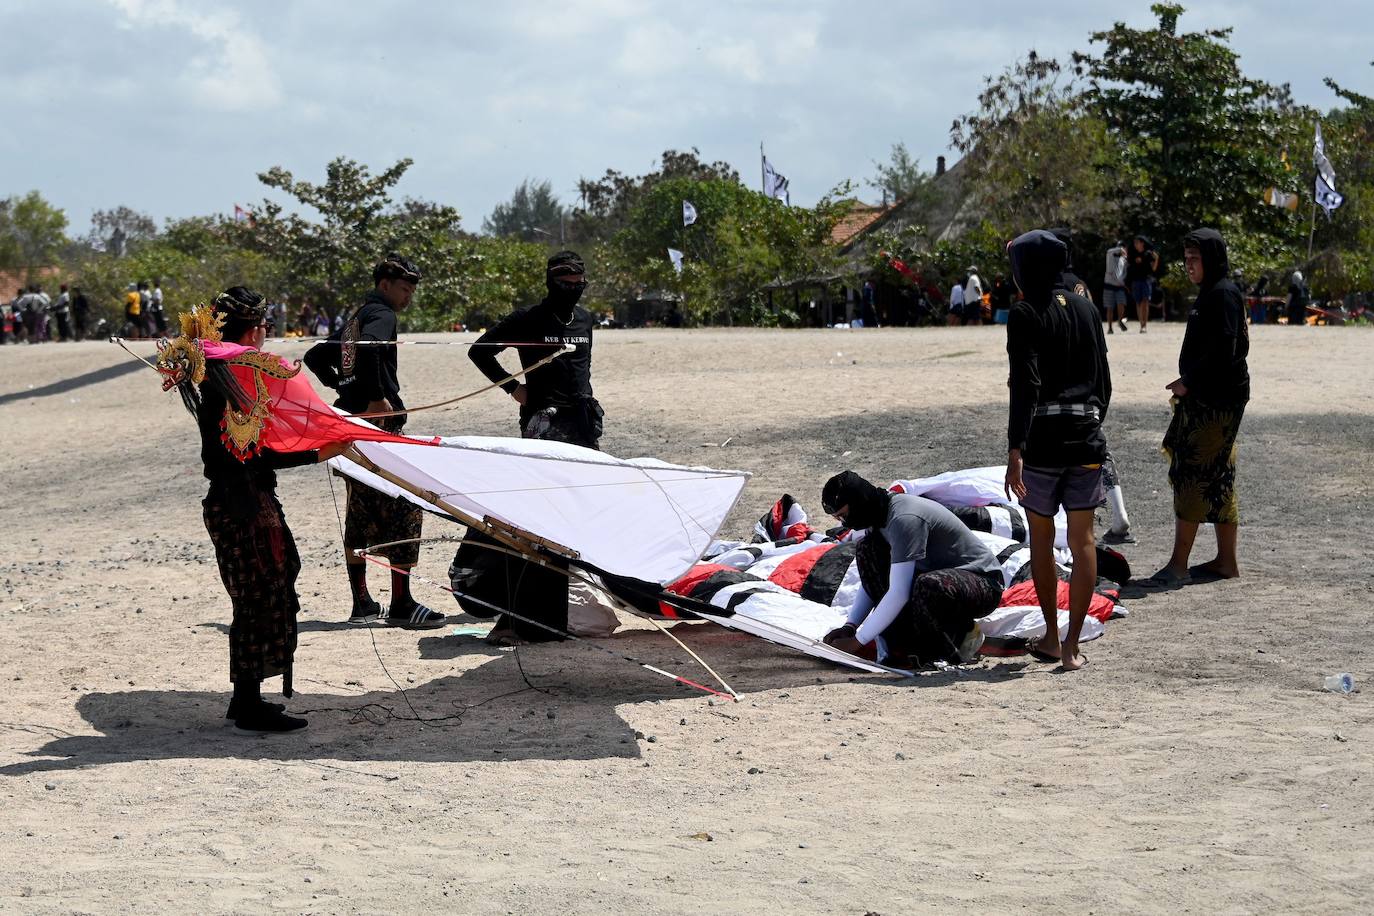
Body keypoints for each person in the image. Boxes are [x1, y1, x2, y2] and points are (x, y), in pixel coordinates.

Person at [162, 286, 350, 732]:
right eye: (264, 326)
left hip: (246, 500)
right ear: (253, 330)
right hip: (240, 505)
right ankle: (247, 704)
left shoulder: (227, 376)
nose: (267, 334)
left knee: (266, 591)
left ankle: (244, 697)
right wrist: (320, 453)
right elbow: (248, 454)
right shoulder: (222, 382)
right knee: (258, 599)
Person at [304, 253, 445, 629]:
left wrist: (341, 387)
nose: (408, 297)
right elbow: (368, 349)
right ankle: (401, 602)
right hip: (378, 430)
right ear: (385, 285)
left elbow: (315, 356)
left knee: (361, 512)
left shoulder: (355, 317)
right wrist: (376, 396)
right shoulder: (381, 314)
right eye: (404, 289)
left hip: (350, 430)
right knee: (405, 504)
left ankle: (362, 602)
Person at [1003, 229, 1111, 671]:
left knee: (1043, 541)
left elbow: (1025, 384)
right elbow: (1104, 380)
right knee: (1083, 540)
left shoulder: (1024, 312)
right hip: (1087, 437)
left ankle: (1051, 635)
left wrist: (1015, 448)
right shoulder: (1087, 308)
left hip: (1044, 444)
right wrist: (1091, 419)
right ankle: (1072, 648)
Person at [1147, 228, 1250, 586]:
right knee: (1219, 476)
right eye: (1186, 258)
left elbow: (1226, 349)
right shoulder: (1214, 293)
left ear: (1212, 259)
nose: (1188, 265)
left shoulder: (1222, 294)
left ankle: (1178, 565)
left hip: (1215, 401)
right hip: (1213, 397)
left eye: (1195, 258)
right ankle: (1226, 562)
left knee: (1192, 472)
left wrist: (1189, 383)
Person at [819, 472, 1001, 667]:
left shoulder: (903, 519)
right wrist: (851, 626)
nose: (844, 523)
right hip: (941, 580)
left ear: (859, 502)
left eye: (844, 515)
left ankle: (958, 641)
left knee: (928, 586)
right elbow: (872, 577)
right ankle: (909, 647)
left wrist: (856, 643)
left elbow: (899, 592)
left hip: (984, 584)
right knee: (867, 550)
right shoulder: (877, 517)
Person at [469, 250, 602, 449]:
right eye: (566, 285)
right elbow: (479, 352)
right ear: (551, 282)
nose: (573, 290)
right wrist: (513, 388)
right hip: (543, 420)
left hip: (583, 420)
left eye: (579, 285)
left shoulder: (584, 318)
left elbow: (585, 364)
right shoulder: (527, 319)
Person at [1126, 236, 1159, 332]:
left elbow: (1154, 269)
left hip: (1146, 280)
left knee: (1145, 302)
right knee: (1138, 302)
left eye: (1137, 242)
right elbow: (1129, 266)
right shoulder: (1132, 254)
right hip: (1135, 281)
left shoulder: (1148, 254)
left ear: (1142, 243)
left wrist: (1157, 259)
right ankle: (1141, 324)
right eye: (1134, 243)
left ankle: (1144, 325)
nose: (1135, 244)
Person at [1103, 241, 1130, 334]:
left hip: (1119, 286)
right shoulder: (1110, 256)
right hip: (1109, 285)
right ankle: (1110, 327)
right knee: (1109, 307)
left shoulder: (1124, 260)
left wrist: (1123, 282)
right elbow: (1109, 251)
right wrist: (1120, 249)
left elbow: (1124, 273)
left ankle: (1119, 320)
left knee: (1121, 304)